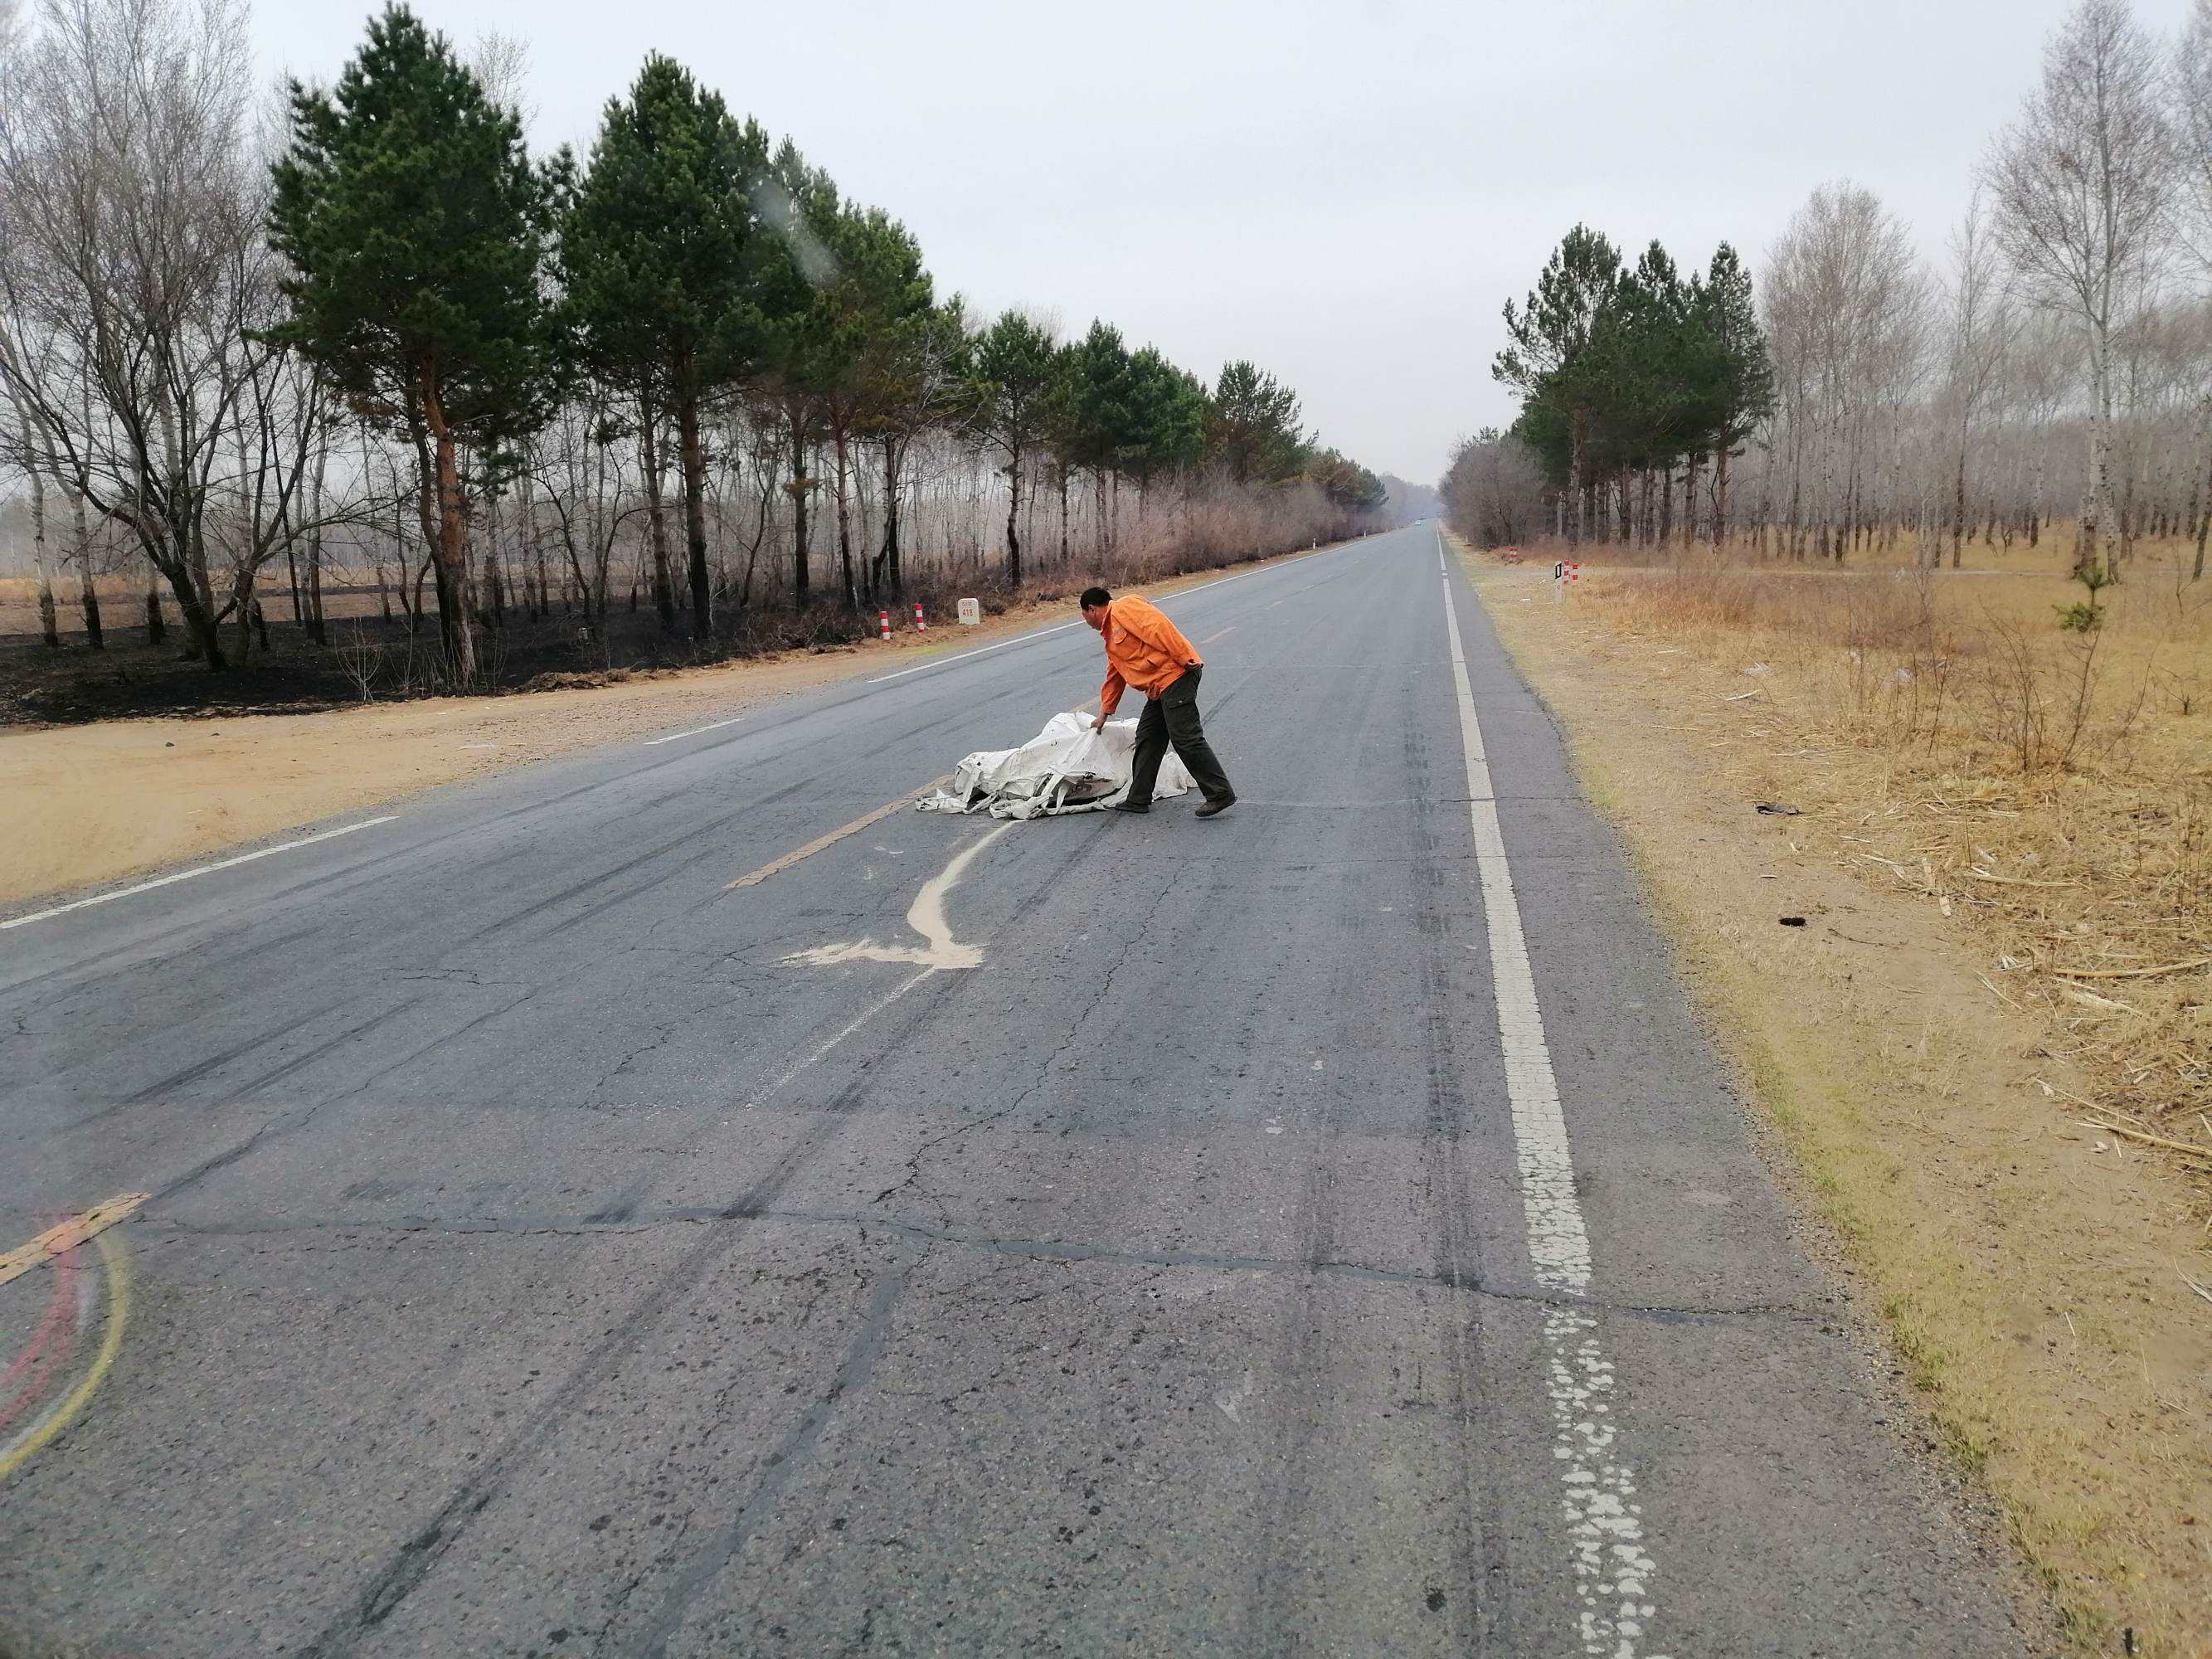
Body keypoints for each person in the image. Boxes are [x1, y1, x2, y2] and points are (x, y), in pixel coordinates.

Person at [1079, 585, 1235, 818]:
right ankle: (1138, 798)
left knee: (1186, 739)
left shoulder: (1124, 608)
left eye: (1083, 615)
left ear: (1091, 609)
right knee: (1148, 738)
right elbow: (1115, 676)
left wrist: (1184, 657)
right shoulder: (1111, 636)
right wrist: (1104, 714)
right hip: (1160, 688)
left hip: (1177, 676)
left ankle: (1219, 793)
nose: (1085, 621)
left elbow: (1158, 628)